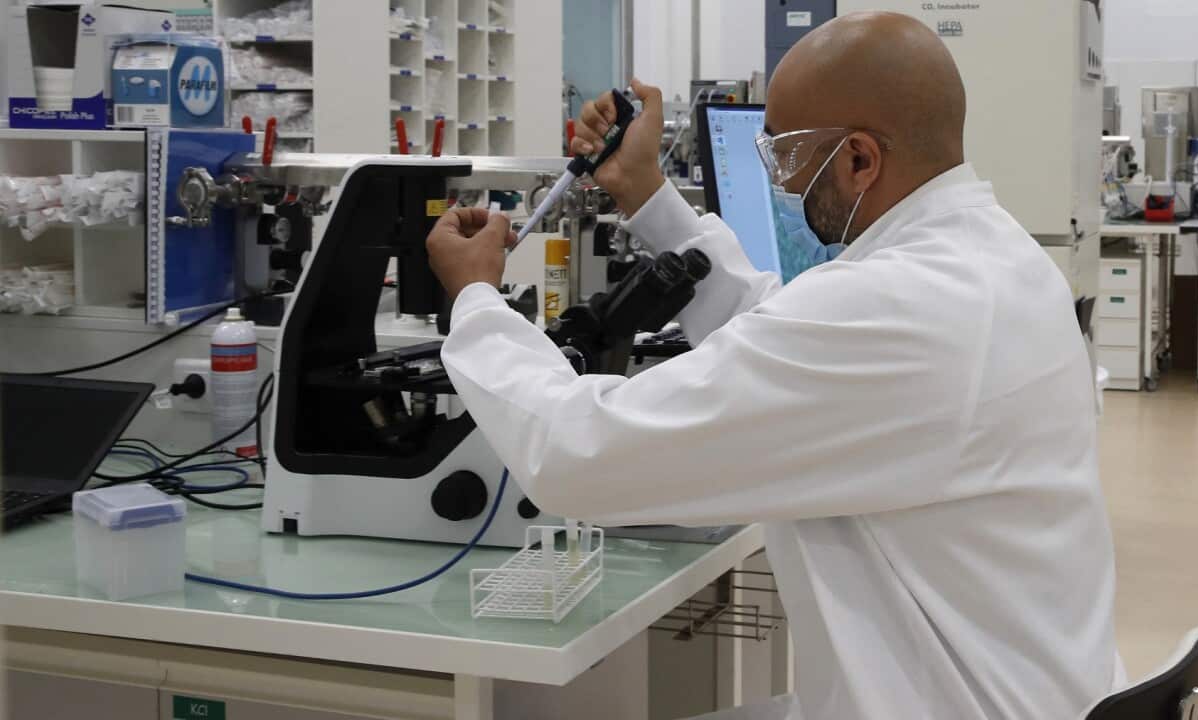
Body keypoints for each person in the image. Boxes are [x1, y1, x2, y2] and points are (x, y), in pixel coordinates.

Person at [426, 11, 1121, 720]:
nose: (778, 180)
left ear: (859, 160)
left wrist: (476, 301)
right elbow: (783, 334)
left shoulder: (899, 305)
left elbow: (578, 455)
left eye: (784, 155)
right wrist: (644, 190)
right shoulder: (993, 258)